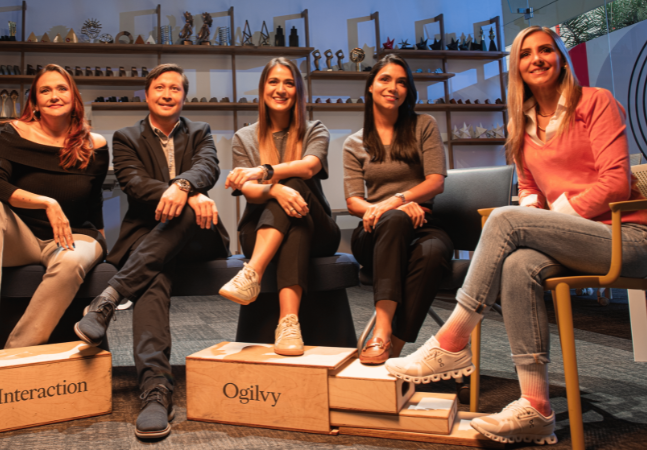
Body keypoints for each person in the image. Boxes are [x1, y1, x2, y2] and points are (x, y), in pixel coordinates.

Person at [385, 26, 647, 445]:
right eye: (526, 54)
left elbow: (616, 183)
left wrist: (548, 217)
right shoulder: (521, 123)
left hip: (627, 239)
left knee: (506, 220)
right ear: (517, 67)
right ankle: (536, 406)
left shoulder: (596, 102)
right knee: (518, 264)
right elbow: (530, 189)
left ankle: (452, 341)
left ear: (561, 57)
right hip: (573, 242)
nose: (537, 59)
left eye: (545, 50)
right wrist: (535, 213)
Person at [74, 64, 229, 440]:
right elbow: (133, 183)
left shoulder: (200, 131)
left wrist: (184, 186)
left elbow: (208, 166)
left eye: (175, 88)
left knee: (185, 215)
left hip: (199, 236)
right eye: (160, 87)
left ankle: (109, 298)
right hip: (148, 237)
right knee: (153, 274)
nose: (167, 94)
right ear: (147, 95)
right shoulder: (126, 137)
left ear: (184, 97)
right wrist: (186, 193)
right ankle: (155, 390)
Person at [0, 65, 108, 364]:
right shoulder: (15, 132)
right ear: (35, 102)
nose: (54, 96)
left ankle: (16, 352)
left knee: (72, 261)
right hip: (22, 237)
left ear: (74, 97)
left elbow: (95, 200)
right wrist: (46, 203)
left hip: (73, 235)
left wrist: (102, 248)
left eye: (62, 88)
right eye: (45, 91)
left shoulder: (96, 144)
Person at [219, 58, 340, 356]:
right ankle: (288, 323)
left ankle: (252, 274)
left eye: (289, 83)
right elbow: (248, 192)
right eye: (273, 82)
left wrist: (265, 172)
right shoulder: (244, 137)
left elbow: (309, 167)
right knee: (289, 208)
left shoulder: (315, 129)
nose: (281, 89)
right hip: (258, 229)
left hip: (318, 228)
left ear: (298, 91)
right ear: (263, 89)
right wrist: (275, 189)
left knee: (296, 182)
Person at [342, 54, 451, 364]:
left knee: (434, 254)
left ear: (408, 90)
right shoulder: (354, 143)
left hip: (423, 224)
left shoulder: (424, 125)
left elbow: (436, 182)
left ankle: (394, 350)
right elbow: (353, 201)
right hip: (373, 231)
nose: (393, 87)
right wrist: (388, 209)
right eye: (385, 79)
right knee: (393, 220)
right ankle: (382, 329)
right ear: (370, 87)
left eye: (402, 82)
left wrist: (399, 200)